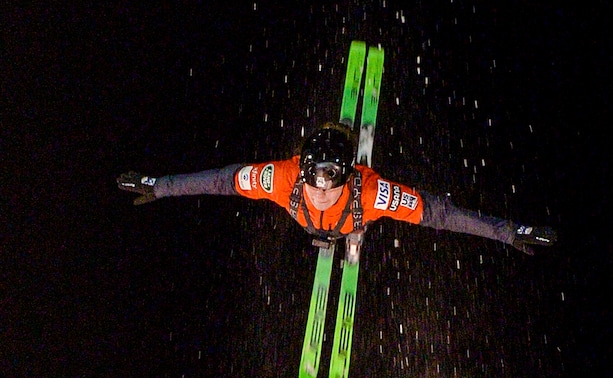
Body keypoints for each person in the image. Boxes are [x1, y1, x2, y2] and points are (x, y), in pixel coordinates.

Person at [117, 123, 557, 254]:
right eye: (317, 183)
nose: (323, 190)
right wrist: (160, 186)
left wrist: (507, 231)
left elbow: (440, 214)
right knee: (323, 223)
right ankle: (333, 134)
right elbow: (220, 181)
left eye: (333, 182)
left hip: (354, 222)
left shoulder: (371, 192)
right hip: (309, 224)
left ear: (349, 176)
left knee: (355, 223)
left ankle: (354, 233)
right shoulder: (284, 178)